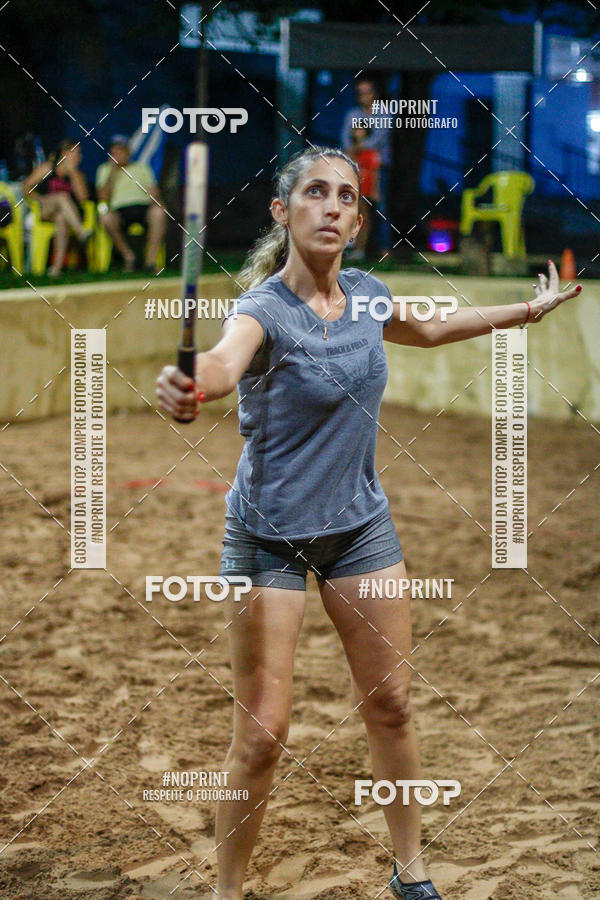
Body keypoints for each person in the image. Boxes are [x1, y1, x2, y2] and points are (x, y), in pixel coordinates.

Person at [155, 146, 582, 900]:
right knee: (261, 735)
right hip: (268, 536)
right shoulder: (261, 310)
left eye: (344, 197)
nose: (330, 206)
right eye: (313, 193)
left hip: (359, 527)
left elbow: (433, 326)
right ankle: (226, 892)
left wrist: (527, 308)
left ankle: (410, 871)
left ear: (355, 219)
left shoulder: (367, 295)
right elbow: (221, 365)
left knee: (391, 703)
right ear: (283, 212)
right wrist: (192, 386)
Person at [95, 134, 166, 273]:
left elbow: (154, 192)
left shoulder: (141, 168)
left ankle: (150, 261)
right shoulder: (104, 170)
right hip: (119, 210)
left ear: (128, 152)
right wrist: (112, 172)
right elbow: (103, 197)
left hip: (142, 206)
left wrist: (157, 200)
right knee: (105, 217)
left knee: (159, 212)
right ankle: (129, 257)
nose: (117, 155)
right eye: (114, 152)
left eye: (120, 151)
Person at [23, 139, 92, 277]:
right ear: (64, 153)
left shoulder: (77, 174)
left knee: (61, 218)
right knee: (62, 197)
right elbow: (26, 187)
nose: (80, 157)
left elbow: (83, 198)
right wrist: (41, 200)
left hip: (66, 214)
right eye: (76, 153)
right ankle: (81, 232)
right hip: (45, 208)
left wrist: (72, 173)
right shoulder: (49, 167)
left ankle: (56, 269)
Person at [341, 77, 392, 257]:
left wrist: (359, 147)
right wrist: (353, 151)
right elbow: (346, 139)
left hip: (378, 167)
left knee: (381, 208)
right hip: (357, 167)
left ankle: (384, 249)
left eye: (368, 92)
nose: (364, 96)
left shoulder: (383, 114)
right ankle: (357, 248)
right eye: (360, 93)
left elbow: (378, 139)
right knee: (357, 208)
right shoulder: (352, 114)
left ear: (375, 94)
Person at [347, 124, 381, 260]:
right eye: (357, 130)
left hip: (365, 191)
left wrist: (375, 190)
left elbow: (375, 173)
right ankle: (350, 247)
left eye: (361, 130)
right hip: (350, 191)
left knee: (364, 219)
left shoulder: (372, 153)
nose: (358, 133)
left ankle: (360, 249)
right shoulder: (348, 153)